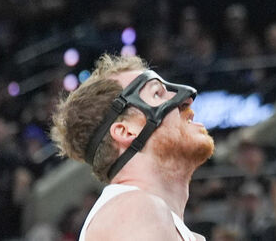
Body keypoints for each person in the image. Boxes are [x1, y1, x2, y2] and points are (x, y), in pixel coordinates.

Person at [49, 54, 214, 240]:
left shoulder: (140, 216)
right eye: (157, 93)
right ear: (125, 131)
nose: (187, 99)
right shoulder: (135, 210)